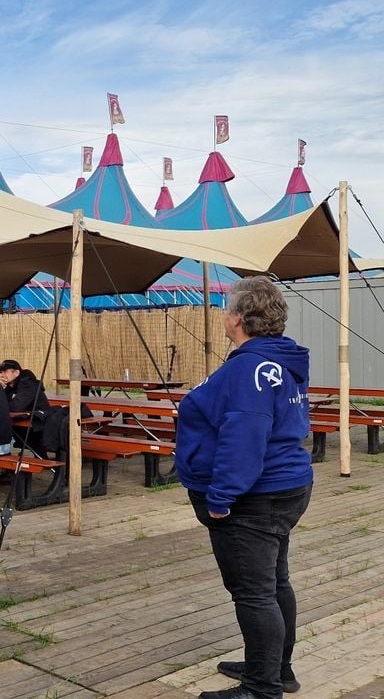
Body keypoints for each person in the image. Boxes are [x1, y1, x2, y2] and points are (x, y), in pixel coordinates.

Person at [175, 276, 313, 699]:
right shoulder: (276, 359)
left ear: (237, 318)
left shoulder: (250, 367)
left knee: (254, 593)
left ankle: (262, 688)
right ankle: (273, 668)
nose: (224, 315)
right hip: (283, 485)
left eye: (226, 309)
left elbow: (245, 437)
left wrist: (221, 497)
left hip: (254, 496)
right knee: (273, 583)